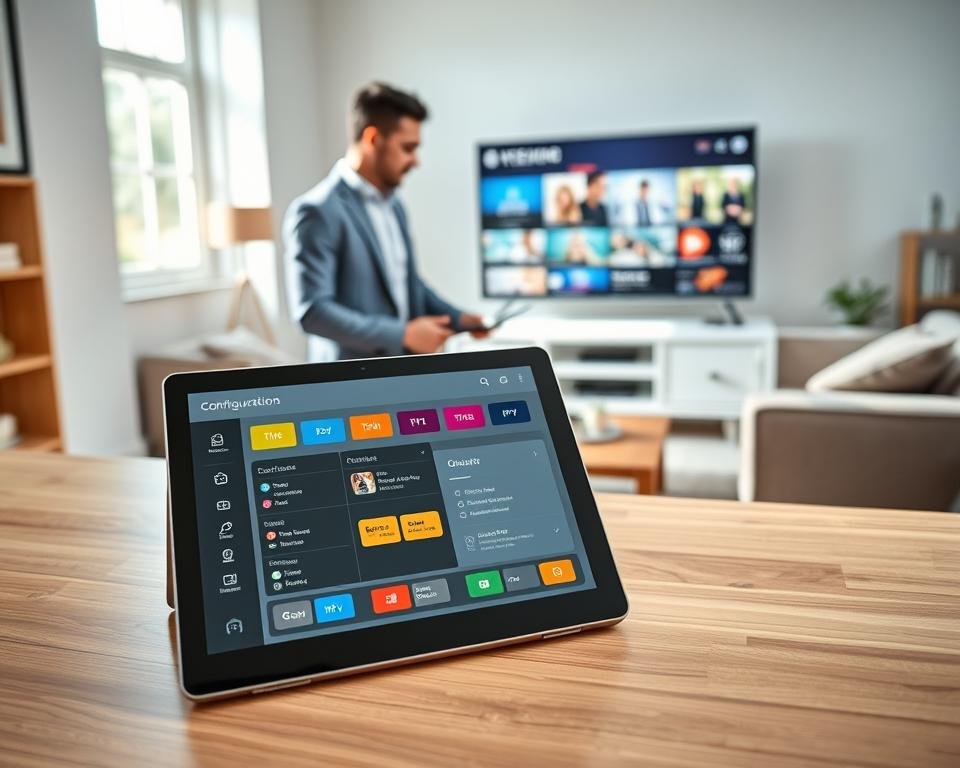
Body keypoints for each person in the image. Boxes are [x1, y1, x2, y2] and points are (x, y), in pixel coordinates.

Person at [283, 82, 487, 360]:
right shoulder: (317, 211)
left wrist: (459, 319)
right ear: (373, 139)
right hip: (348, 385)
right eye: (408, 148)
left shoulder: (395, 206)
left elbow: (406, 283)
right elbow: (313, 312)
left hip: (401, 373)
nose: (416, 161)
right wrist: (402, 334)